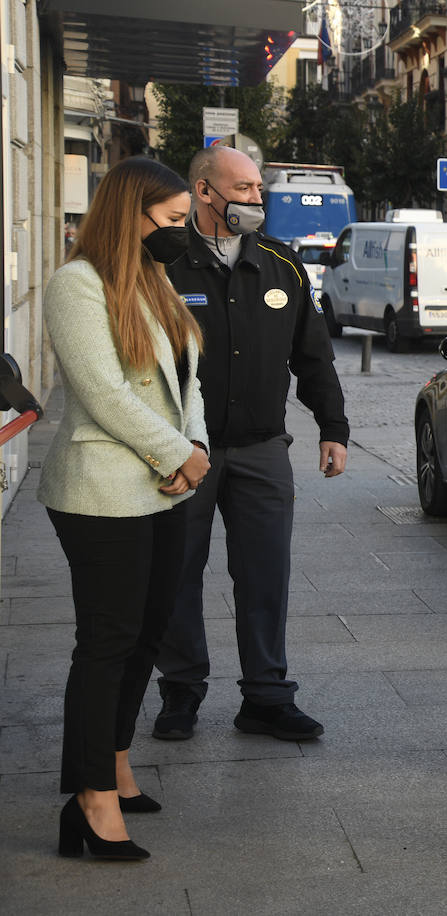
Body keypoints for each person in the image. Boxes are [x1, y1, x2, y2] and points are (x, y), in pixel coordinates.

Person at [39, 156, 211, 860]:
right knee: (107, 641)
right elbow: (103, 393)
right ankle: (90, 801)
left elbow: (186, 378)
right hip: (102, 489)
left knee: (147, 635)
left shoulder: (155, 279)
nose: (181, 232)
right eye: (171, 220)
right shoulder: (75, 285)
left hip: (164, 484)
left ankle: (113, 763)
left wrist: (192, 443)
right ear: (129, 213)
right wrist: (176, 453)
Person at [153, 145, 349, 742]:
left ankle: (266, 696)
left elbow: (313, 356)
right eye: (243, 189)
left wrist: (333, 428)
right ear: (204, 192)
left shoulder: (282, 265)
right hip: (186, 451)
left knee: (265, 574)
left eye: (258, 189)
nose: (255, 199)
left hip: (264, 449)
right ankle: (180, 691)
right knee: (178, 571)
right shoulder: (164, 265)